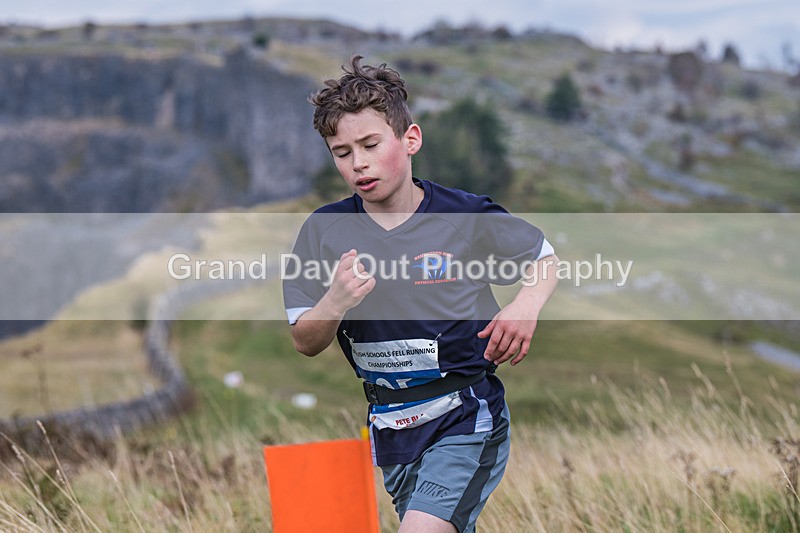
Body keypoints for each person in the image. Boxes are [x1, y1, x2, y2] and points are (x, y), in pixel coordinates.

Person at [282, 55, 558, 533]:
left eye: (370, 144)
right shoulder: (324, 230)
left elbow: (544, 257)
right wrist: (336, 301)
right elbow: (305, 341)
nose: (358, 163)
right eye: (342, 152)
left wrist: (525, 305)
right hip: (390, 426)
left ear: (410, 140)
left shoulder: (463, 216)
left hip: (465, 415)